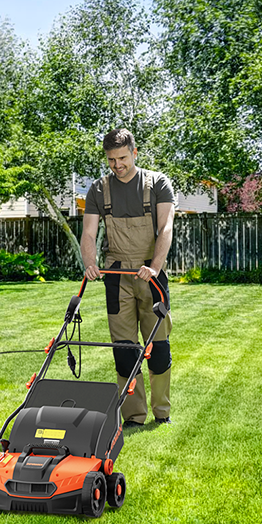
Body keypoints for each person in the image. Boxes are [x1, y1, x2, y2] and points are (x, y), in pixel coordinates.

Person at [80, 128, 175, 428]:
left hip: (151, 274)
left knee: (158, 347)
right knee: (124, 350)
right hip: (116, 275)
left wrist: (156, 267)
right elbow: (89, 232)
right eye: (111, 159)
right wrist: (90, 261)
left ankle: (162, 413)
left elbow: (166, 229)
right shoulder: (99, 189)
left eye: (122, 158)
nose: (117, 165)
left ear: (134, 152)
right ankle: (133, 416)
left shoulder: (157, 183)